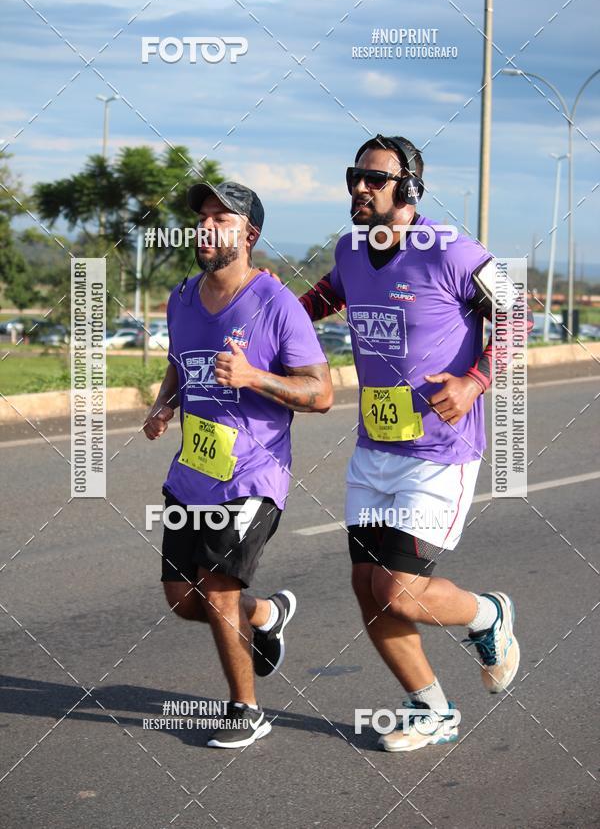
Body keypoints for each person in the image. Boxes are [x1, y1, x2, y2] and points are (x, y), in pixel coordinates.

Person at [298, 135, 528, 752]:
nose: (359, 188)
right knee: (368, 588)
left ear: (409, 190)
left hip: (438, 452)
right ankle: (430, 708)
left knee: (400, 591)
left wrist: (476, 381)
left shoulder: (451, 251)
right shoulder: (351, 251)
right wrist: (269, 318)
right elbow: (317, 300)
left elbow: (517, 312)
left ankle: (488, 615)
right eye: (354, 176)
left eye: (373, 178)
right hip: (376, 445)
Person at [144, 180, 332, 749]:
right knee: (184, 600)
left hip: (253, 473)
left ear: (248, 235)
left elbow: (321, 393)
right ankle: (266, 616)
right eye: (202, 217)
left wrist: (254, 377)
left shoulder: (276, 304)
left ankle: (244, 710)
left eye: (220, 219)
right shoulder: (181, 297)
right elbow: (181, 362)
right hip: (191, 472)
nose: (205, 227)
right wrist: (164, 402)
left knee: (218, 588)